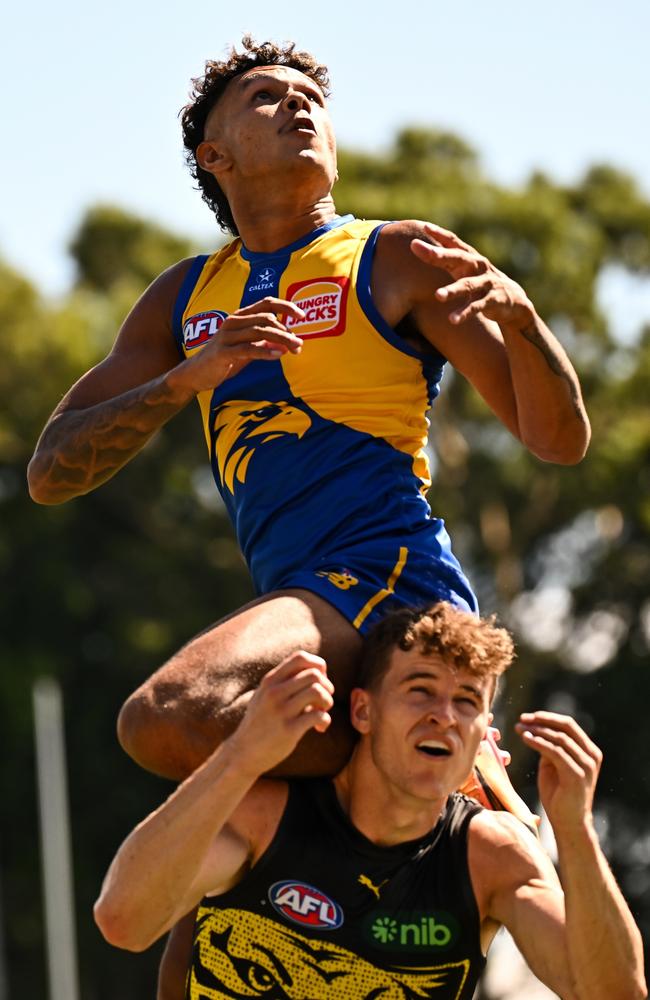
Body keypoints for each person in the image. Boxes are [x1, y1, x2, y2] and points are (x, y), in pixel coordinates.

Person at [27, 36, 591, 784]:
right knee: (156, 865)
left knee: (167, 714)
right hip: (299, 604)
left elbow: (560, 441)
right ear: (214, 156)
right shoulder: (183, 297)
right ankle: (428, 785)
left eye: (313, 100)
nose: (298, 104)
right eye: (266, 96)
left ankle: (435, 774)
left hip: (395, 582)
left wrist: (526, 326)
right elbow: (49, 473)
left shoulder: (394, 257)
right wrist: (184, 380)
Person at [94, 603, 646, 1000]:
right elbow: (123, 922)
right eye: (421, 689)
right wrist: (240, 755)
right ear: (362, 711)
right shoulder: (265, 813)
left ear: (482, 736)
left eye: (467, 701)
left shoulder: (489, 858)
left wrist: (574, 829)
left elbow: (613, 995)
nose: (444, 715)